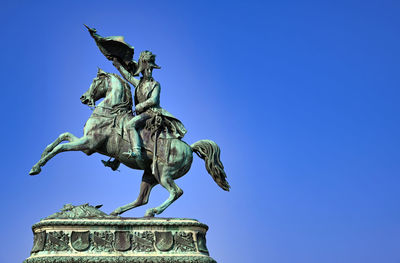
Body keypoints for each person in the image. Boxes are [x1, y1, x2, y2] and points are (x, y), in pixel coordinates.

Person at [112, 51, 186, 161]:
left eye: (151, 69)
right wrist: (117, 65)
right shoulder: (139, 83)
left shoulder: (155, 84)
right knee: (121, 126)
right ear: (142, 70)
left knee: (130, 125)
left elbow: (153, 100)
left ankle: (136, 152)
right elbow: (127, 76)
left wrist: (141, 106)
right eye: (147, 69)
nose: (150, 71)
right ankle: (117, 159)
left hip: (151, 113)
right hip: (142, 113)